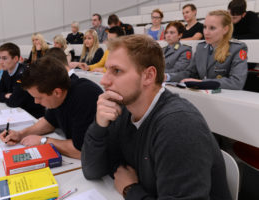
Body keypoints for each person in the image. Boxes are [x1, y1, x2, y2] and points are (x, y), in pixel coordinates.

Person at [81, 34, 231, 199]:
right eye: (106, 70)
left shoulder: (179, 125)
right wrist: (99, 125)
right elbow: (92, 170)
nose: (104, 80)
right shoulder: (124, 110)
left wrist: (130, 189)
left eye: (117, 71)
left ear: (148, 76)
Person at [0, 56, 103, 159]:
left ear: (57, 92)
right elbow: (49, 122)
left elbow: (82, 151)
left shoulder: (85, 96)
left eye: (39, 97)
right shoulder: (58, 94)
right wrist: (20, 134)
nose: (36, 102)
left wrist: (44, 141)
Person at [166, 10, 248, 90]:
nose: (206, 32)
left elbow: (237, 82)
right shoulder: (201, 47)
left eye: (212, 28)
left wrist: (202, 83)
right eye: (205, 27)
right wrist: (167, 77)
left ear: (225, 29)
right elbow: (190, 73)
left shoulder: (237, 49)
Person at [0, 43, 45, 118]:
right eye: (0, 58)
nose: (1, 62)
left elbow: (14, 102)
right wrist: (5, 95)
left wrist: (6, 97)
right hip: (17, 112)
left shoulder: (25, 73)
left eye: (4, 58)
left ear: (16, 59)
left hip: (32, 115)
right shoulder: (6, 72)